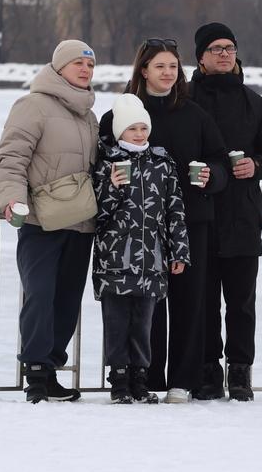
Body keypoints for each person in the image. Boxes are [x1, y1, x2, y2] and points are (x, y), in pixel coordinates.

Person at [97, 38, 229, 403]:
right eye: (160, 66)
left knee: (190, 303)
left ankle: (182, 381)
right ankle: (146, 377)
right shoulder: (116, 118)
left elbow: (220, 162)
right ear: (143, 70)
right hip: (135, 229)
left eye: (173, 66)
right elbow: (100, 163)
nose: (168, 73)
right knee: (144, 307)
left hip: (189, 222)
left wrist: (211, 177)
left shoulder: (195, 114)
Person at [0, 39, 100, 403]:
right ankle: (35, 371)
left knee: (67, 299)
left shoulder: (89, 115)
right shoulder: (32, 106)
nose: (85, 70)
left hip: (81, 221)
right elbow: (11, 158)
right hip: (40, 220)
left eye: (90, 66)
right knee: (39, 294)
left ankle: (51, 368)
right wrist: (11, 201)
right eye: (78, 64)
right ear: (58, 68)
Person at [188, 22, 262, 401]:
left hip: (243, 216)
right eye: (216, 48)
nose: (225, 54)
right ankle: (208, 370)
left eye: (230, 47)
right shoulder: (187, 98)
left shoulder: (253, 102)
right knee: (204, 301)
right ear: (200, 57)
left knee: (242, 302)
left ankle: (241, 371)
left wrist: (257, 166)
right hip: (199, 213)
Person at [92, 94, 192, 404]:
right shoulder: (106, 162)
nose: (139, 134)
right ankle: (119, 378)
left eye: (143, 128)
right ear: (120, 131)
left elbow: (175, 210)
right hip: (116, 260)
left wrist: (179, 251)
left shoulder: (162, 163)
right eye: (132, 128)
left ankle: (139, 376)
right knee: (117, 321)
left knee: (143, 323)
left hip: (152, 260)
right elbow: (97, 214)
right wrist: (112, 187)